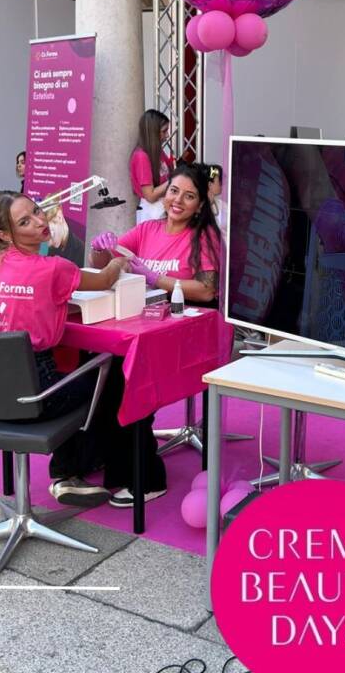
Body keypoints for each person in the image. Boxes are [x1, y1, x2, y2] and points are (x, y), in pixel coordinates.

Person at [0, 192, 129, 507]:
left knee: (72, 374)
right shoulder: (54, 268)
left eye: (36, 211)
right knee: (106, 378)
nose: (39, 221)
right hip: (33, 394)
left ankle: (81, 464)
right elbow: (104, 280)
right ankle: (68, 472)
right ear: (5, 235)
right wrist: (119, 261)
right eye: (25, 221)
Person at [89, 164, 221, 506]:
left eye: (189, 196)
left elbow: (207, 291)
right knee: (96, 371)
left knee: (126, 381)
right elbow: (104, 265)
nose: (178, 200)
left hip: (184, 337)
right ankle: (104, 460)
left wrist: (155, 278)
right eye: (174, 191)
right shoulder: (146, 229)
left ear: (200, 205)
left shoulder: (205, 238)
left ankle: (148, 478)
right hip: (143, 328)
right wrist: (100, 248)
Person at [130, 109, 172, 224]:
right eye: (164, 131)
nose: (167, 135)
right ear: (153, 132)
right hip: (152, 215)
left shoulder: (159, 152)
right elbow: (150, 196)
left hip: (162, 210)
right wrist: (173, 181)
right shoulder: (141, 156)